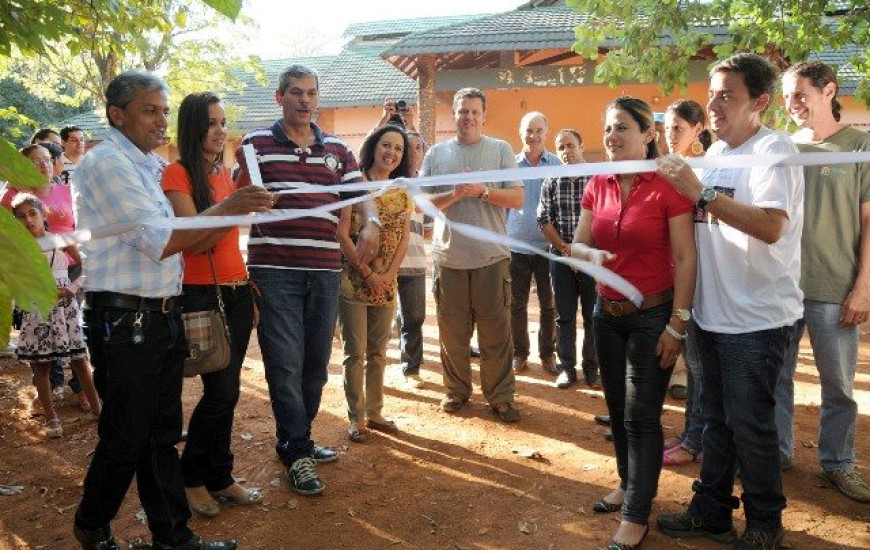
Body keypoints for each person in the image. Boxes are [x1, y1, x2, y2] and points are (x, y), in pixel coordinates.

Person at [72, 69, 271, 550]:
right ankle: (92, 525)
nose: (161, 120)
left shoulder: (144, 165)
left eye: (164, 111)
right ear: (117, 114)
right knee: (127, 434)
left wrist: (233, 210)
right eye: (150, 110)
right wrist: (230, 209)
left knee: (160, 434)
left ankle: (173, 537)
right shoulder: (107, 165)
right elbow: (160, 241)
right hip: (125, 320)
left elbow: (191, 241)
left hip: (160, 315)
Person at [656, 53, 804, 550]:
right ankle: (712, 511)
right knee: (713, 422)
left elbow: (769, 225)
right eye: (713, 93)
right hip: (712, 316)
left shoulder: (773, 152)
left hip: (758, 321)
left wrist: (700, 193)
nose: (714, 104)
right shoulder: (716, 153)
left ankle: (765, 524)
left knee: (750, 427)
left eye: (728, 95)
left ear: (760, 102)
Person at [234, 64, 381, 496]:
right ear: (279, 98)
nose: (304, 100)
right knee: (284, 364)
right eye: (296, 92)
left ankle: (299, 437)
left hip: (324, 272)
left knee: (316, 366)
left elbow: (361, 196)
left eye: (311, 93)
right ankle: (296, 451)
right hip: (275, 271)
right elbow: (242, 200)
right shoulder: (255, 143)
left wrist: (370, 221)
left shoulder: (337, 148)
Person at [571, 96, 696, 550]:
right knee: (619, 414)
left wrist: (677, 326)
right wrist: (590, 256)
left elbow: (685, 258)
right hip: (607, 314)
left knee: (642, 417)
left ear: (648, 135)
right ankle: (628, 482)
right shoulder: (597, 182)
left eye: (622, 127)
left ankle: (636, 514)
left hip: (654, 315)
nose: (612, 136)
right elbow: (578, 243)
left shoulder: (669, 184)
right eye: (608, 128)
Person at [161, 91, 265, 517]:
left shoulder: (223, 174)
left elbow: (226, 239)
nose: (221, 130)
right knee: (220, 392)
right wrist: (232, 206)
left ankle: (220, 475)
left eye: (224, 122)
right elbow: (190, 238)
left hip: (237, 290)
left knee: (229, 390)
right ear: (193, 127)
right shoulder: (177, 173)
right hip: (201, 294)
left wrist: (246, 286)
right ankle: (192, 478)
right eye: (212, 122)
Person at [776, 61, 870, 502]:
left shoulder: (858, 146)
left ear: (828, 91)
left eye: (800, 95)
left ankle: (838, 463)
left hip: (835, 287)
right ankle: (777, 454)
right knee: (777, 379)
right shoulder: (785, 148)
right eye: (786, 96)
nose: (791, 104)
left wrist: (863, 285)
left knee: (838, 386)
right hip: (783, 289)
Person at [421, 87, 523, 423]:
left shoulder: (500, 150)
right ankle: (456, 391)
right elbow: (421, 205)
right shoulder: (436, 154)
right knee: (452, 333)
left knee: (496, 332)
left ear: (483, 115)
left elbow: (517, 199)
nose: (468, 117)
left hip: (491, 257)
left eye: (474, 111)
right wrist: (454, 194)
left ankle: (501, 397)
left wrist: (482, 192)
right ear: (453, 113)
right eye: (462, 111)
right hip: (449, 258)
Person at [338, 125, 413, 442]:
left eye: (398, 148)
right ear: (373, 146)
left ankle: (376, 411)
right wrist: (369, 274)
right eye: (386, 145)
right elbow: (341, 233)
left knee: (379, 353)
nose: (391, 153)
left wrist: (389, 275)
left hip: (387, 283)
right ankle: (357, 417)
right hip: (353, 280)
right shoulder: (354, 184)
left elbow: (404, 237)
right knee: (355, 353)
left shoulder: (402, 189)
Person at [11, 193, 101, 438]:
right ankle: (51, 418)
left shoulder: (60, 240)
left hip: (66, 309)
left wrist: (71, 288)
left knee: (79, 361)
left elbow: (89, 264)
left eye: (32, 213)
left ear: (43, 215)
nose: (28, 220)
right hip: (37, 310)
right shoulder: (18, 249)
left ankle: (97, 409)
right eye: (21, 217)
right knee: (41, 365)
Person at [661, 99, 712, 468]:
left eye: (677, 128)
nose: (669, 134)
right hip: (670, 274)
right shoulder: (661, 168)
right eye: (666, 127)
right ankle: (691, 432)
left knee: (696, 362)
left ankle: (696, 439)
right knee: (690, 359)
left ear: (697, 130)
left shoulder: (704, 171)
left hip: (698, 276)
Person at [537, 128, 600, 389]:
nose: (566, 152)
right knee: (564, 316)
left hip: (591, 258)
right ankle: (567, 369)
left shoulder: (597, 178)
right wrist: (566, 250)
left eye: (570, 145)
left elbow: (604, 217)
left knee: (592, 315)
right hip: (560, 258)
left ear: (581, 146)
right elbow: (543, 219)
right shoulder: (552, 178)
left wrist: (582, 252)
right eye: (561, 147)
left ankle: (591, 368)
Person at [508, 111, 559, 376]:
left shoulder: (557, 164)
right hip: (516, 247)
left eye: (539, 130)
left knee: (549, 304)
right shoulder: (511, 165)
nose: (534, 136)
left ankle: (548, 354)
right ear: (521, 133)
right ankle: (519, 353)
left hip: (547, 247)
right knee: (517, 304)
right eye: (529, 130)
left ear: (546, 132)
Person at [396, 130, 428, 387]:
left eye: (418, 147)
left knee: (415, 316)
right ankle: (409, 363)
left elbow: (428, 226)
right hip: (384, 263)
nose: (413, 151)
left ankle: (412, 366)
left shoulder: (425, 185)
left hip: (415, 262)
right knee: (392, 318)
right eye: (408, 146)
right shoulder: (389, 180)